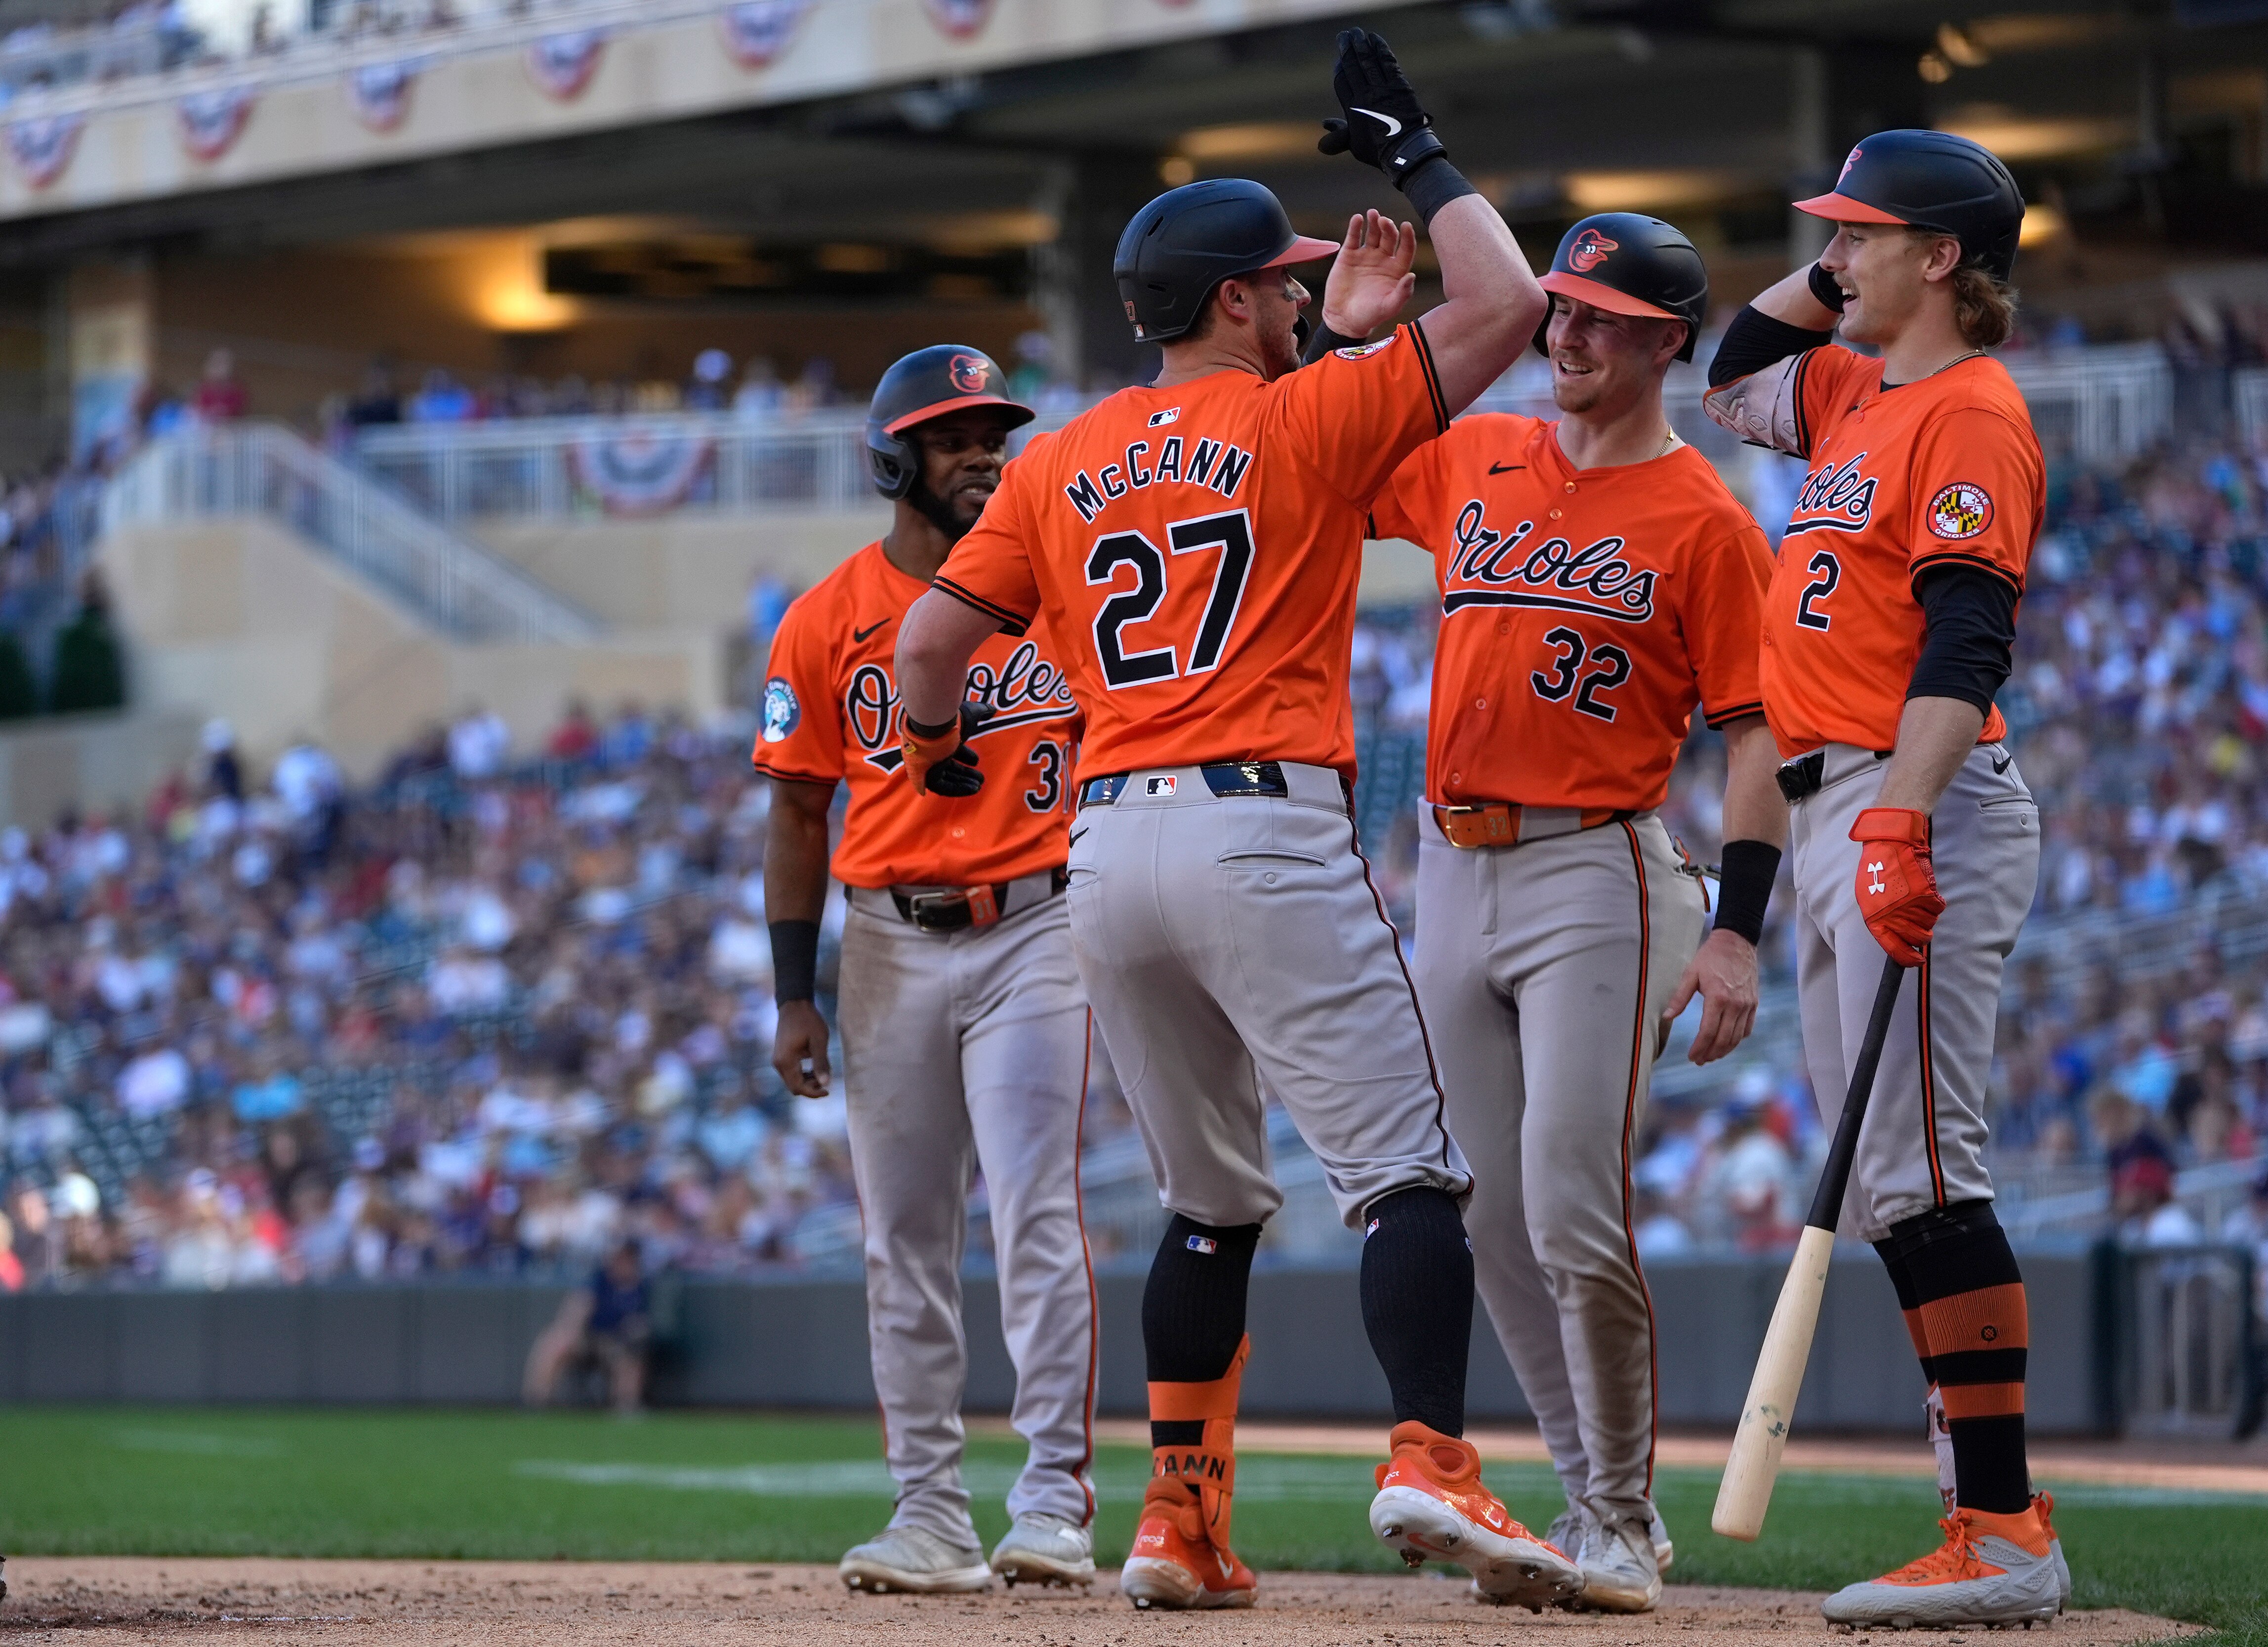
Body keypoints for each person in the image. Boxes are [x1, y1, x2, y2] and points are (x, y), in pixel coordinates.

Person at [894, 28, 1571, 1613]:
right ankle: (1430, 1456)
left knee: (1207, 1207)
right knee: (1407, 1176)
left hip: (1105, 848)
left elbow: (930, 652)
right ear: (1226, 303)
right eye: (1277, 282)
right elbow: (1510, 306)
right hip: (1260, 826)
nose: (1301, 294)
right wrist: (1416, 153)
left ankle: (1178, 1521)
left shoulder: (1052, 455)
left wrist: (935, 760)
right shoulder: (1298, 421)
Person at [1339, 212, 1784, 1612]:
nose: (1566, 331)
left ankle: (1614, 1506)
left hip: (1596, 865)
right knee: (1488, 1216)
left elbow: (1759, 740)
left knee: (1573, 1201)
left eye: (1600, 313)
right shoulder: (1478, 454)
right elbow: (1331, 454)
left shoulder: (1705, 517)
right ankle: (1594, 1492)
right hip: (1453, 867)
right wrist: (1359, 336)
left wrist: (1737, 927)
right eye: (1562, 308)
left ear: (1667, 338)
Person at [1702, 128, 2071, 1629]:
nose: (1829, 257)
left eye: (1858, 235)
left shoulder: (1971, 416)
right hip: (1832, 800)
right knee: (1886, 1179)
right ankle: (1974, 1510)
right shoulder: (1859, 386)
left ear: (1940, 259)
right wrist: (1837, 275)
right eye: (1828, 235)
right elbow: (1729, 371)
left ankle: (1999, 1525)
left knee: (1923, 1168)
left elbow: (1966, 641)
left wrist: (1901, 817)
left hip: (1908, 798)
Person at [759, 345, 1099, 1596]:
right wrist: (792, 990)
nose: (984, 455)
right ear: (894, 458)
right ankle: (931, 1516)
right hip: (887, 940)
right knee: (902, 1238)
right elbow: (796, 818)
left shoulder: (1058, 596)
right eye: (956, 437)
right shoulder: (826, 617)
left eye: (993, 433)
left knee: (1034, 1217)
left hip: (1036, 924)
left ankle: (1055, 1499)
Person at [522, 1239, 653, 1413]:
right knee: (553, 1342)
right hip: (588, 1338)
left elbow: (642, 1324)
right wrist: (570, 1332)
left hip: (616, 1342)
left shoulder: (640, 1287)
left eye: (628, 1259)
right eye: (620, 1258)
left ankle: (627, 1405)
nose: (623, 1263)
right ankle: (537, 1402)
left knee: (631, 1355)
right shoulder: (600, 1281)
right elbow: (578, 1309)